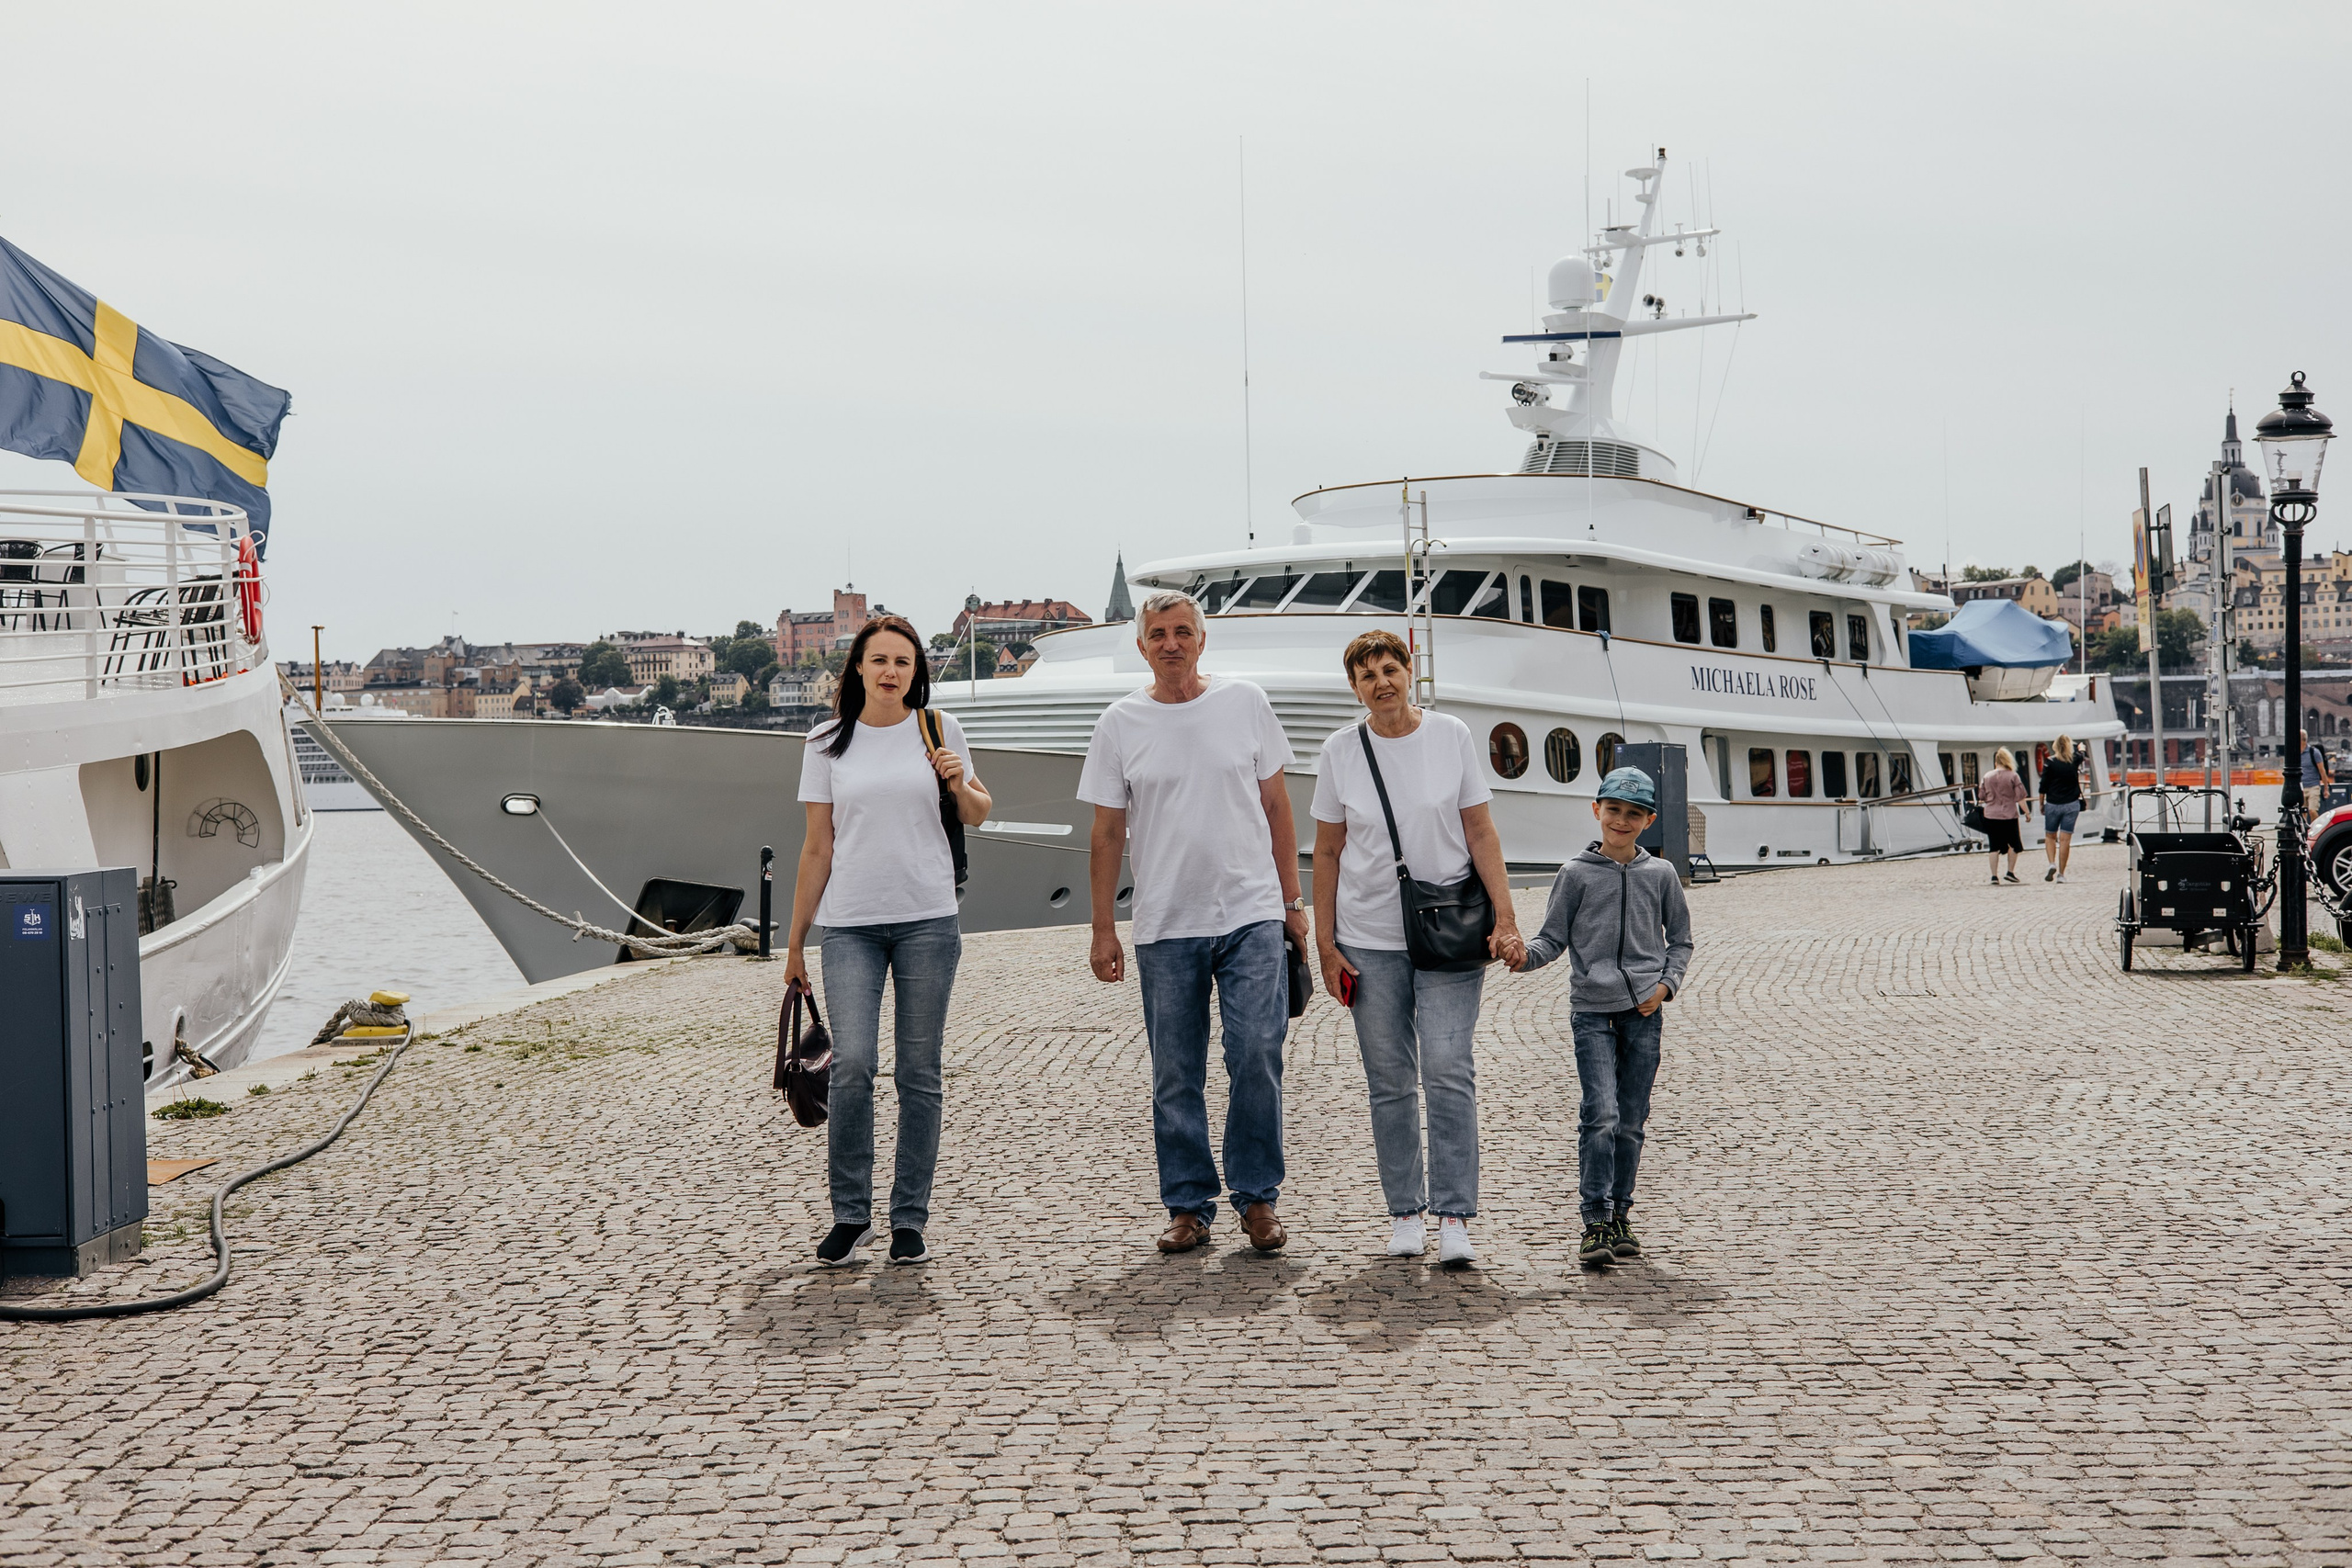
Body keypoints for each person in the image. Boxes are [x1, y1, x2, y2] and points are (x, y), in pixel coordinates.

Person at [1080, 591, 1306, 1256]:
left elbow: (1277, 806)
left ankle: (1257, 1197)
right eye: (1158, 634)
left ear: (1202, 640)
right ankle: (1187, 1205)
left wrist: (1293, 904)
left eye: (1183, 631)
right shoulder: (1119, 723)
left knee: (1257, 1052)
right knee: (1176, 1073)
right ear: (1142, 646)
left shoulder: (1246, 703)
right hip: (1165, 921)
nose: (1171, 643)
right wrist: (1102, 927)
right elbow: (1106, 832)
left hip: (1251, 912)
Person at [786, 615, 991, 1269]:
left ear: (915, 671)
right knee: (852, 1065)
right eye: (879, 659)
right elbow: (817, 847)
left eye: (903, 661)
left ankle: (909, 1219)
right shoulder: (825, 741)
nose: (890, 671)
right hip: (849, 924)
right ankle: (851, 1216)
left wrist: (956, 779)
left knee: (918, 1071)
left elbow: (978, 811)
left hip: (928, 918)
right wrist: (795, 943)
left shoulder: (938, 728)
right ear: (858, 667)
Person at [1311, 630, 1521, 1268]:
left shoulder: (1451, 735)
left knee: (1449, 1069)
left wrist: (1506, 918)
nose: (1381, 682)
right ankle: (1405, 1211)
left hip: (1450, 931)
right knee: (1390, 1081)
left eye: (1390, 668)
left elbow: (1480, 831)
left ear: (1410, 671)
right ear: (1355, 688)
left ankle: (1454, 1215)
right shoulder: (1340, 750)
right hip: (1368, 939)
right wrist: (1325, 943)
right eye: (1367, 675)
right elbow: (1327, 851)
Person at [1510, 767, 1692, 1268]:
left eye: (1634, 814)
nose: (1621, 820)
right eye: (1613, 810)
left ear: (1648, 820)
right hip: (1591, 1011)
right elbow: (1551, 938)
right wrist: (1521, 957)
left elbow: (1681, 941)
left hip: (1643, 1014)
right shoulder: (1574, 874)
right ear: (1597, 810)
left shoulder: (1661, 875)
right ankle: (1595, 1222)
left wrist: (1665, 985)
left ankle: (1621, 1215)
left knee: (1631, 1120)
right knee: (1601, 1114)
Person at [2039, 735, 2083, 884]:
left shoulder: (2050, 762)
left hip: (2053, 804)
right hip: (2071, 804)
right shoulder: (2074, 760)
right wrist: (2081, 748)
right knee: (2065, 840)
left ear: (2055, 746)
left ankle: (2052, 863)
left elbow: (2043, 786)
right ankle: (2061, 875)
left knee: (2050, 836)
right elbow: (2081, 754)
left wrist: (2041, 804)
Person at [1980, 747, 2027, 884]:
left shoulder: (1987, 776)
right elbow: (2020, 796)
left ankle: (1994, 876)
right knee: (2014, 844)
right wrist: (2027, 812)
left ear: (1996, 761)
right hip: (2009, 815)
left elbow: (1981, 796)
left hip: (1991, 815)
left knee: (1994, 846)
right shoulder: (2013, 776)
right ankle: (2010, 872)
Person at [2299, 729, 2334, 819]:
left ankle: (2316, 827)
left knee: (2312, 810)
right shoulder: (2296, 754)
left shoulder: (2314, 752)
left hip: (2313, 786)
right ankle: (2304, 828)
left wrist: (2326, 789)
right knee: (2302, 812)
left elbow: (2322, 771)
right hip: (2301, 787)